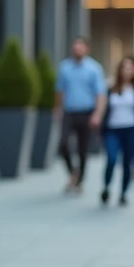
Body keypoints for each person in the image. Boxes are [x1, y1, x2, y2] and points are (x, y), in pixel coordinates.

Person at [55, 37, 107, 193]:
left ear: (86, 49)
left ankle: (80, 181)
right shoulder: (64, 67)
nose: (76, 50)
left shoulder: (94, 68)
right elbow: (60, 90)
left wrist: (97, 113)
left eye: (79, 47)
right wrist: (57, 108)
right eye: (74, 47)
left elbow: (100, 93)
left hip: (86, 112)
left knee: (83, 149)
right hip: (69, 112)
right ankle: (73, 173)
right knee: (63, 144)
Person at [99, 56, 134, 207]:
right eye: (124, 68)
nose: (127, 71)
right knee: (111, 159)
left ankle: (123, 193)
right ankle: (106, 186)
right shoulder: (111, 88)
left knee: (127, 163)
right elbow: (104, 110)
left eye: (130, 69)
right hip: (113, 130)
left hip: (132, 131)